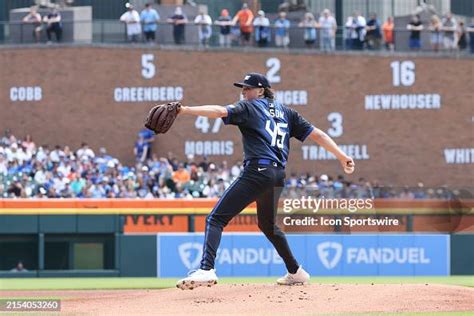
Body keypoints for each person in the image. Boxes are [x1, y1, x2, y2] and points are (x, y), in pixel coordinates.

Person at [175, 72, 355, 289]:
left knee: (216, 219)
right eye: (242, 88)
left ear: (261, 91)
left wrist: (184, 110)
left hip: (257, 172)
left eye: (247, 88)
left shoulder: (250, 107)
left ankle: (206, 268)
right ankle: (295, 271)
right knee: (268, 225)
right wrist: (342, 156)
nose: (243, 92)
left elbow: (219, 111)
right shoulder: (287, 112)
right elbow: (318, 135)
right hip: (277, 175)